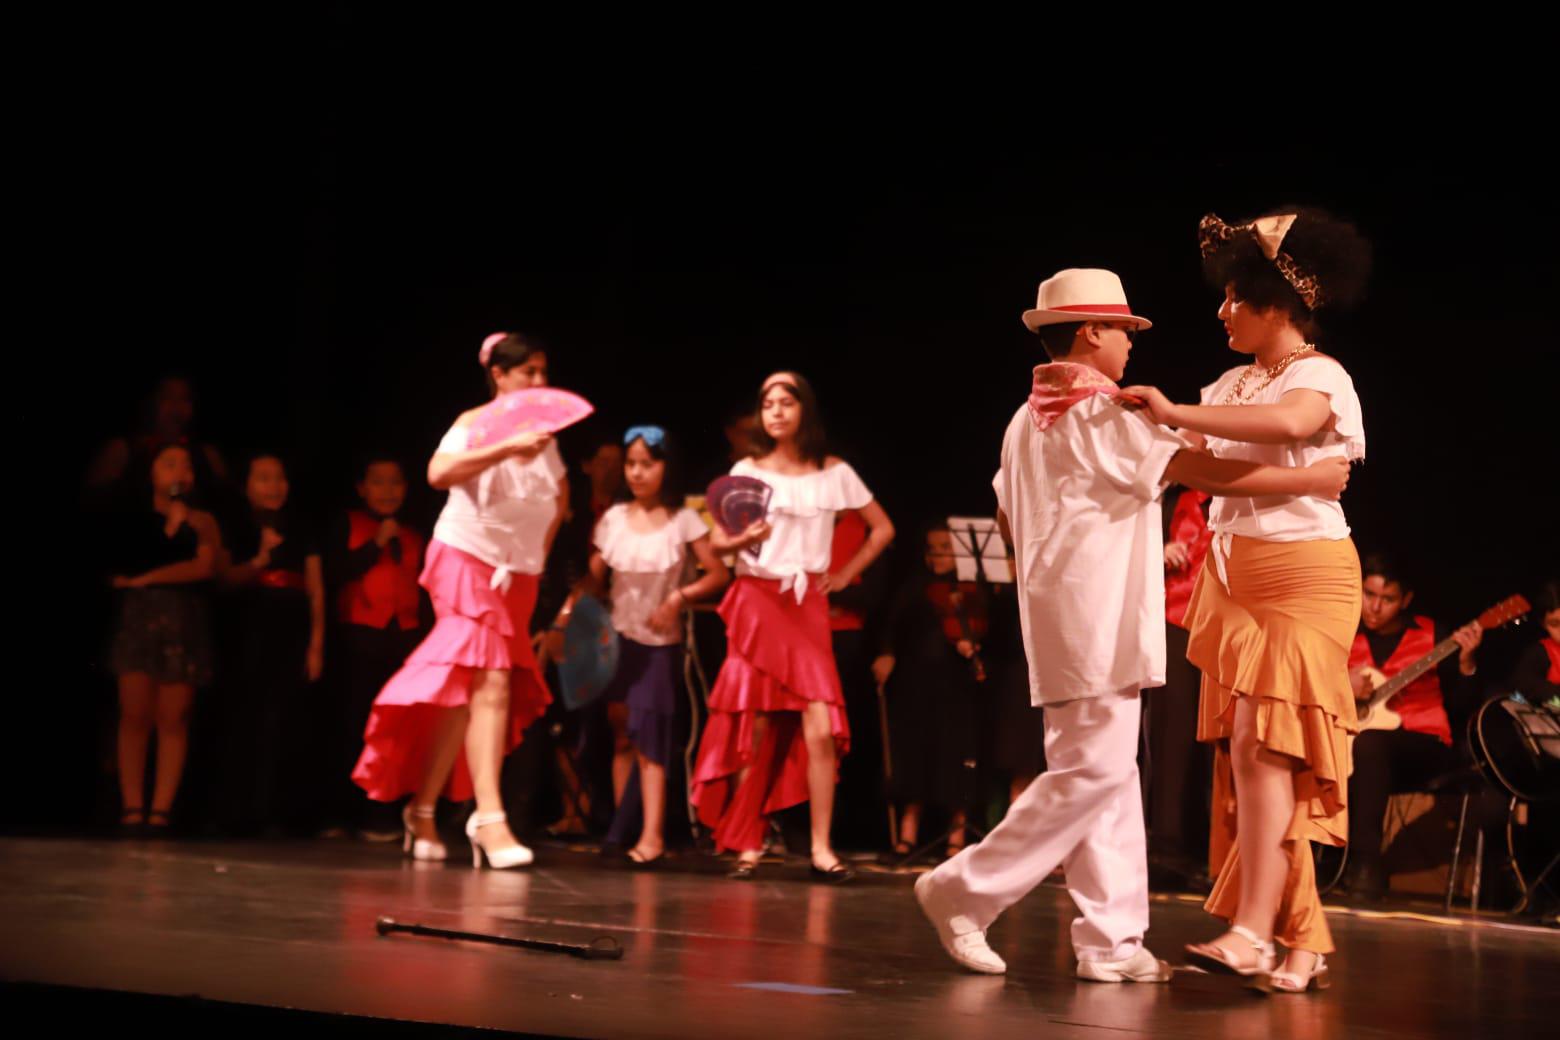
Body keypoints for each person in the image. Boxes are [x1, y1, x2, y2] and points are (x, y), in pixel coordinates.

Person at [915, 266, 1350, 985]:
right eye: (1122, 331)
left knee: (1111, 775)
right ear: (1091, 332)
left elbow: (1004, 514)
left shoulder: (1027, 415)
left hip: (1061, 611)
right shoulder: (1102, 409)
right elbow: (1195, 470)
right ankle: (962, 888)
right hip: (1101, 615)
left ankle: (1111, 941)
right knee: (1095, 769)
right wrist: (1309, 479)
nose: (1129, 345)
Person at [1122, 207, 1374, 992]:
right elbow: (1190, 473)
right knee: (1254, 759)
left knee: (1271, 749)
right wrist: (1302, 476)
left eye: (1237, 297)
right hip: (1231, 580)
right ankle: (1302, 938)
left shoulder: (1319, 375)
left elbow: (1287, 423)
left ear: (1279, 302)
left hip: (1304, 576)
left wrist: (1174, 414)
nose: (1222, 310)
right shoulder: (1229, 382)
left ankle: (1252, 933)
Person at [352, 332, 567, 869]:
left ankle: (422, 809)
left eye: (543, 372)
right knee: (489, 681)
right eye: (528, 373)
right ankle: (489, 820)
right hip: (466, 562)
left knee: (463, 694)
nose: (538, 383)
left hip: (516, 577)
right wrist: (504, 447)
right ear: (500, 375)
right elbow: (437, 472)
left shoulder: (546, 437)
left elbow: (560, 498)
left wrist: (533, 554)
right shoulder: (475, 424)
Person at [691, 371, 895, 881]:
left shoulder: (834, 472)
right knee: (755, 727)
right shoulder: (747, 469)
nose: (776, 411)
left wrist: (845, 573)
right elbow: (716, 545)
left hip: (805, 608)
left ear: (805, 409)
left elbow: (882, 527)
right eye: (768, 403)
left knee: (822, 729)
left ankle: (822, 849)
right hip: (758, 600)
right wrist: (743, 539)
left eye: (786, 402)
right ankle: (747, 843)